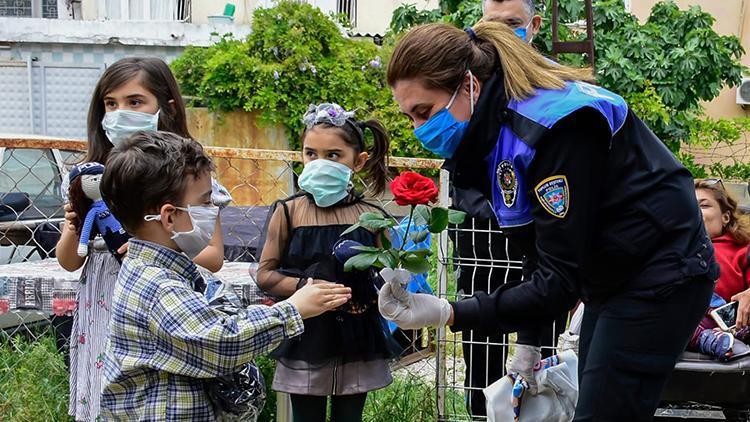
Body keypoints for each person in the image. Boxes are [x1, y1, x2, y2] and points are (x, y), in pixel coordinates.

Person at [378, 21, 718, 421]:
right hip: (614, 273)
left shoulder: (551, 128)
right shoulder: (497, 129)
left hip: (663, 272)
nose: (420, 129)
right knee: (594, 400)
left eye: (424, 111)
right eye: (410, 117)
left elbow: (558, 278)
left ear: (469, 84)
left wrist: (446, 311)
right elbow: (541, 249)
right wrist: (530, 341)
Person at [97, 130, 352, 420]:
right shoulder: (158, 286)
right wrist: (292, 310)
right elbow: (221, 342)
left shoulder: (173, 270)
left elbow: (218, 307)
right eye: (206, 203)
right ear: (169, 216)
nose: (213, 210)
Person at [55, 57, 227, 421]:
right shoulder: (88, 180)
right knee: (104, 400)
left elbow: (213, 256)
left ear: (166, 108)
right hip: (102, 305)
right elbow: (69, 260)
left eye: (135, 102)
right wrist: (75, 222)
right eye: (111, 104)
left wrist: (149, 253)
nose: (120, 112)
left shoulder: (192, 180)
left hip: (162, 304)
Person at [447, 1, 562, 416]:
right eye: (492, 23)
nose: (501, 32)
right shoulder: (470, 78)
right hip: (484, 237)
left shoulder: (549, 83)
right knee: (481, 345)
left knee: (541, 339)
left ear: (532, 26)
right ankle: (481, 411)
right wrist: (502, 207)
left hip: (544, 234)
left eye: (512, 24)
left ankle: (541, 410)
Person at [256, 103, 393, 422]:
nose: (320, 163)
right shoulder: (288, 212)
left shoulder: (371, 218)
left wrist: (376, 293)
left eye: (333, 155)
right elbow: (265, 274)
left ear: (358, 162)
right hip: (304, 334)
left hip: (358, 336)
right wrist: (305, 288)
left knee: (350, 417)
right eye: (311, 154)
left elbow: (388, 273)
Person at [688, 179, 750, 359]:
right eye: (689, 206)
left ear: (725, 217)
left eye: (703, 205)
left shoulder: (743, 249)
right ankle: (703, 338)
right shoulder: (670, 251)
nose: (694, 211)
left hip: (730, 319)